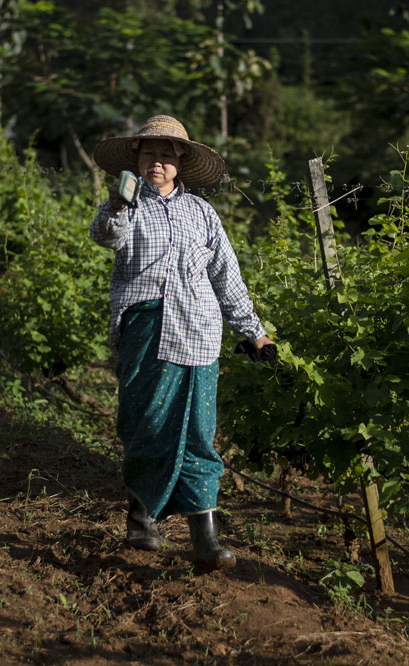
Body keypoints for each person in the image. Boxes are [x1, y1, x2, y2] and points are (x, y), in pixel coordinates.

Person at [89, 115, 276, 572]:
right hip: (147, 327)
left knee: (198, 428)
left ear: (181, 164)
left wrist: (253, 332)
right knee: (145, 419)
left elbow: (226, 277)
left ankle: (205, 538)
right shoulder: (126, 205)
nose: (158, 161)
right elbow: (105, 236)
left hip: (200, 330)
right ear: (137, 159)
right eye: (149, 153)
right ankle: (141, 516)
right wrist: (118, 204)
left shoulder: (203, 214)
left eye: (167, 155)